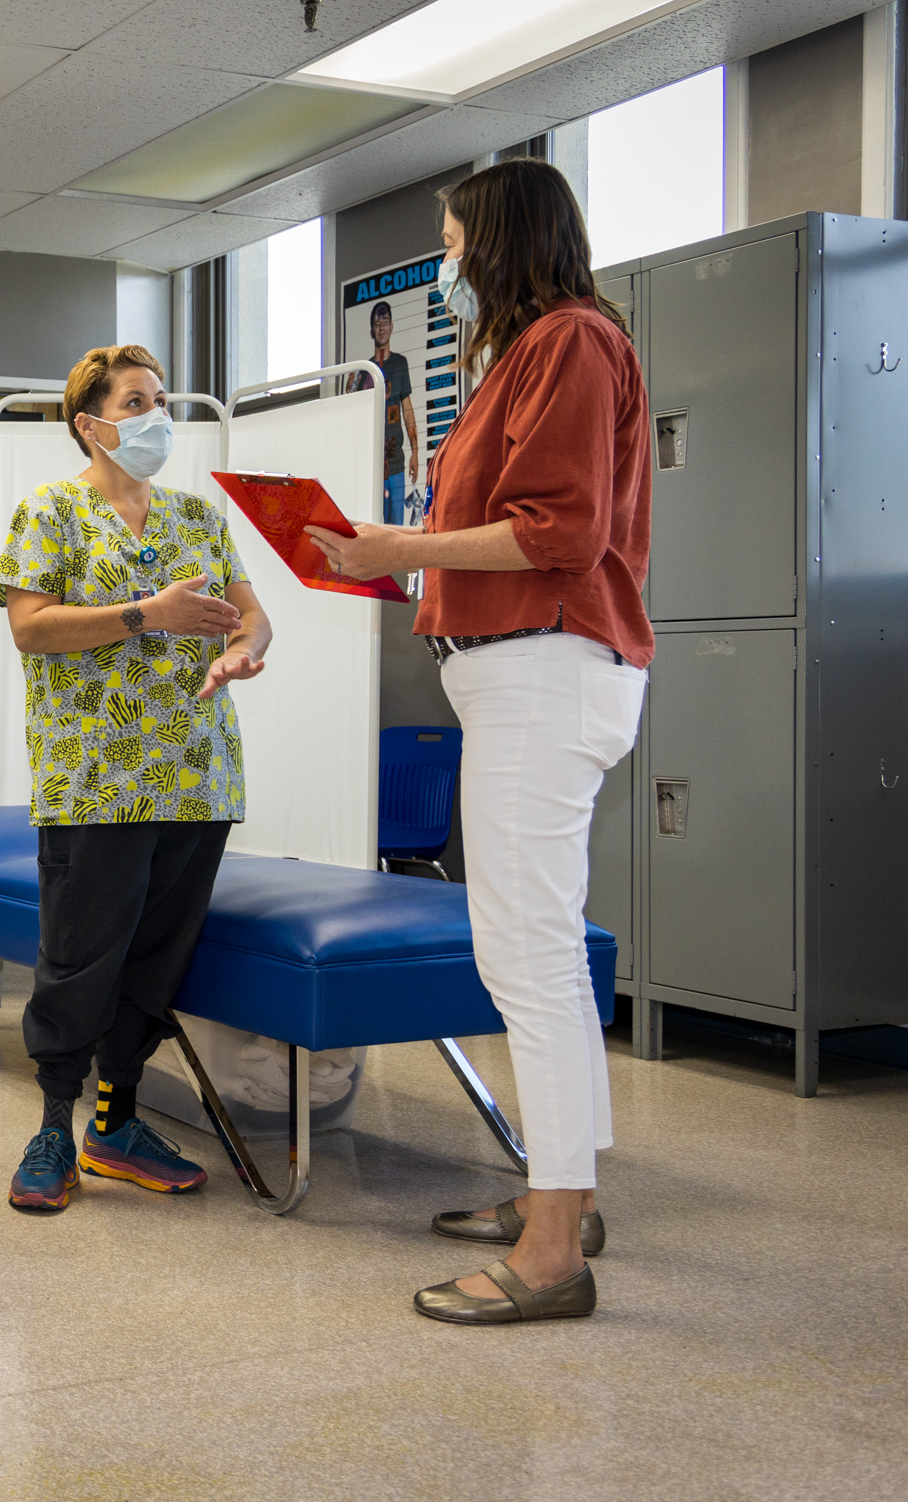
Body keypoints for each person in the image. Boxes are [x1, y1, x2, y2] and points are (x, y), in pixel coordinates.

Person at [306, 158, 652, 1324]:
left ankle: (553, 1250)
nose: (447, 263)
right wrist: (400, 557)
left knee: (529, 960)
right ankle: (568, 1197)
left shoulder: (569, 342)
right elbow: (502, 531)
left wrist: (400, 551)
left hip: (549, 671)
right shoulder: (540, 352)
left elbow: (558, 534)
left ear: (500, 242)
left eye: (454, 242)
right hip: (529, 675)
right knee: (534, 949)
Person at [0, 344, 273, 1213]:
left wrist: (242, 650)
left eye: (163, 401)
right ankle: (50, 1127)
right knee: (80, 960)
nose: (159, 417)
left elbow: (253, 615)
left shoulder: (197, 517)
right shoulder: (52, 515)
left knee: (156, 962)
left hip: (197, 776)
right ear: (92, 424)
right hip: (96, 782)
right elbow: (31, 628)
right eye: (138, 401)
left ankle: (113, 1125)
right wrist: (150, 614)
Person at [349, 299, 419, 523]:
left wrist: (415, 451)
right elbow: (356, 417)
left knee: (396, 526)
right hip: (372, 465)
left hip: (396, 462)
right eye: (377, 323)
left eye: (385, 322)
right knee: (374, 525)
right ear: (371, 331)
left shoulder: (400, 364)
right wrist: (350, 388)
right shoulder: (364, 371)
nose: (381, 327)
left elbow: (407, 409)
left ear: (392, 326)